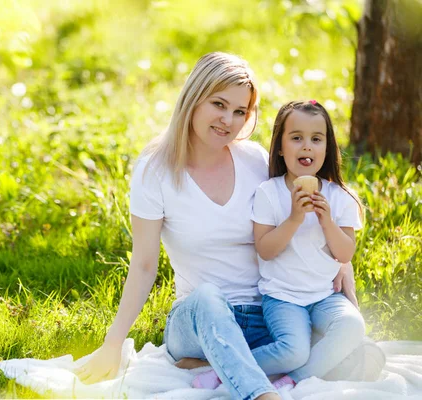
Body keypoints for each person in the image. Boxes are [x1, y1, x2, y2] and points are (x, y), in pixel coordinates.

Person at [75, 52, 379, 400]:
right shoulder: (154, 170)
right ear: (193, 98)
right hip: (199, 319)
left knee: (363, 353)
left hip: (267, 313)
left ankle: (217, 367)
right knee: (208, 296)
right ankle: (262, 394)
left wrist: (343, 264)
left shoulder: (253, 160)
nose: (228, 121)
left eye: (240, 111)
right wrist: (113, 344)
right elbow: (144, 265)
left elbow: (305, 213)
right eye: (219, 104)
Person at [192, 100, 366, 391]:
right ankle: (224, 370)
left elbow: (345, 252)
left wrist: (326, 222)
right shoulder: (269, 193)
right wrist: (295, 218)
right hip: (283, 298)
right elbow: (266, 249)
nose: (307, 147)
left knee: (353, 326)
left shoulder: (339, 198)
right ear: (281, 148)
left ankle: (291, 380)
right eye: (296, 138)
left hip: (325, 295)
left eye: (316, 139)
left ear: (328, 148)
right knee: (293, 349)